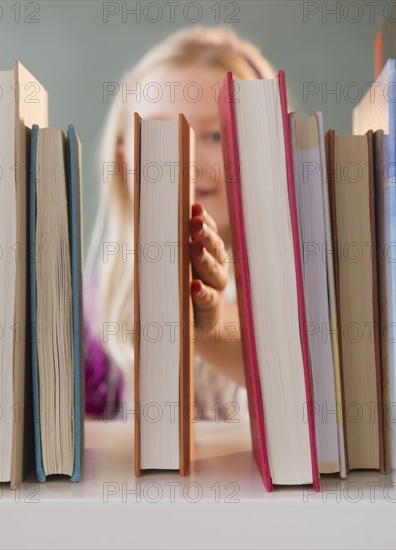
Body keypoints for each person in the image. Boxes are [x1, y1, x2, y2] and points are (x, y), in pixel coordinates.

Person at [84, 25, 278, 421]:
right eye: (158, 132)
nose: (184, 159)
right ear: (124, 160)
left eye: (214, 135)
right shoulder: (92, 314)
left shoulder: (309, 289)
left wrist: (211, 325)